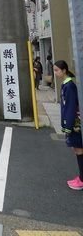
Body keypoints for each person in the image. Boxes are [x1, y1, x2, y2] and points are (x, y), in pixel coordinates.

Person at [53, 60, 83, 190]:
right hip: (71, 123)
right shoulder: (66, 84)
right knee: (76, 149)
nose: (55, 73)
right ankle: (81, 177)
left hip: (74, 124)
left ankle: (82, 180)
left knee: (79, 149)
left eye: (56, 70)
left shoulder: (69, 86)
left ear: (64, 70)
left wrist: (67, 126)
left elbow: (70, 107)